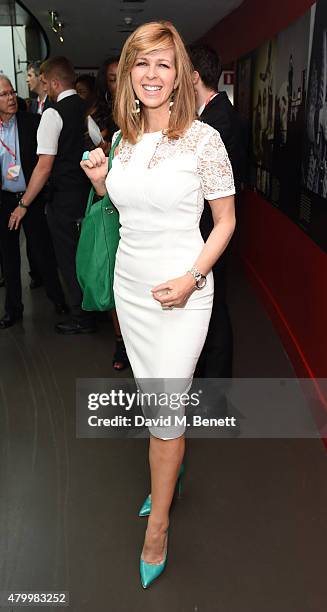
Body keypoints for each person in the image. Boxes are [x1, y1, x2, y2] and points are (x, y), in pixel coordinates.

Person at [81, 21, 235, 587]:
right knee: (157, 405)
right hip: (132, 288)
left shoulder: (204, 139)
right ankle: (170, 465)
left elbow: (226, 222)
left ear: (180, 78)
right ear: (128, 74)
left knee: (166, 408)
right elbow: (125, 209)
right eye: (141, 63)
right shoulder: (121, 138)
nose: (151, 74)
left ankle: (159, 525)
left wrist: (193, 278)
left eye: (163, 64)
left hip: (183, 292)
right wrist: (101, 181)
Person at [9, 56, 95, 334]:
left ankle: (81, 316)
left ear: (55, 83)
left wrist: (24, 203)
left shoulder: (52, 113)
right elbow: (98, 144)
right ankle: (95, 309)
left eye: (44, 82)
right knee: (89, 257)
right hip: (88, 195)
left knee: (69, 259)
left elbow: (44, 166)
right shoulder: (84, 109)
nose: (42, 87)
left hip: (63, 200)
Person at [189, 44, 244, 378]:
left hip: (214, 228)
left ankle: (216, 388)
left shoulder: (215, 121)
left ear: (194, 76)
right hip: (213, 226)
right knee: (214, 303)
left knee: (215, 306)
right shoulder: (217, 113)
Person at [0, 76, 68, 329]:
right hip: (5, 200)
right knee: (8, 258)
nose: (10, 99)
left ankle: (58, 300)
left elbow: (46, 161)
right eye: (4, 95)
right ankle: (13, 309)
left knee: (43, 252)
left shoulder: (32, 122)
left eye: (11, 93)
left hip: (32, 197)